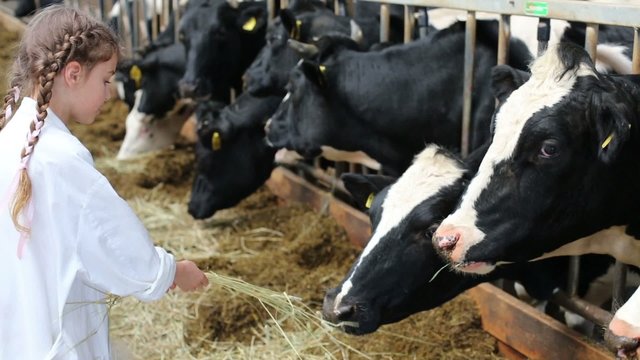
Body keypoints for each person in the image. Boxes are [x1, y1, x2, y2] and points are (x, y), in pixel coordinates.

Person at [0, 6, 209, 359]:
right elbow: (116, 242)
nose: (109, 94)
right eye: (106, 80)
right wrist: (172, 271)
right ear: (74, 73)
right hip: (58, 343)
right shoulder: (63, 159)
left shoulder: (10, 136)